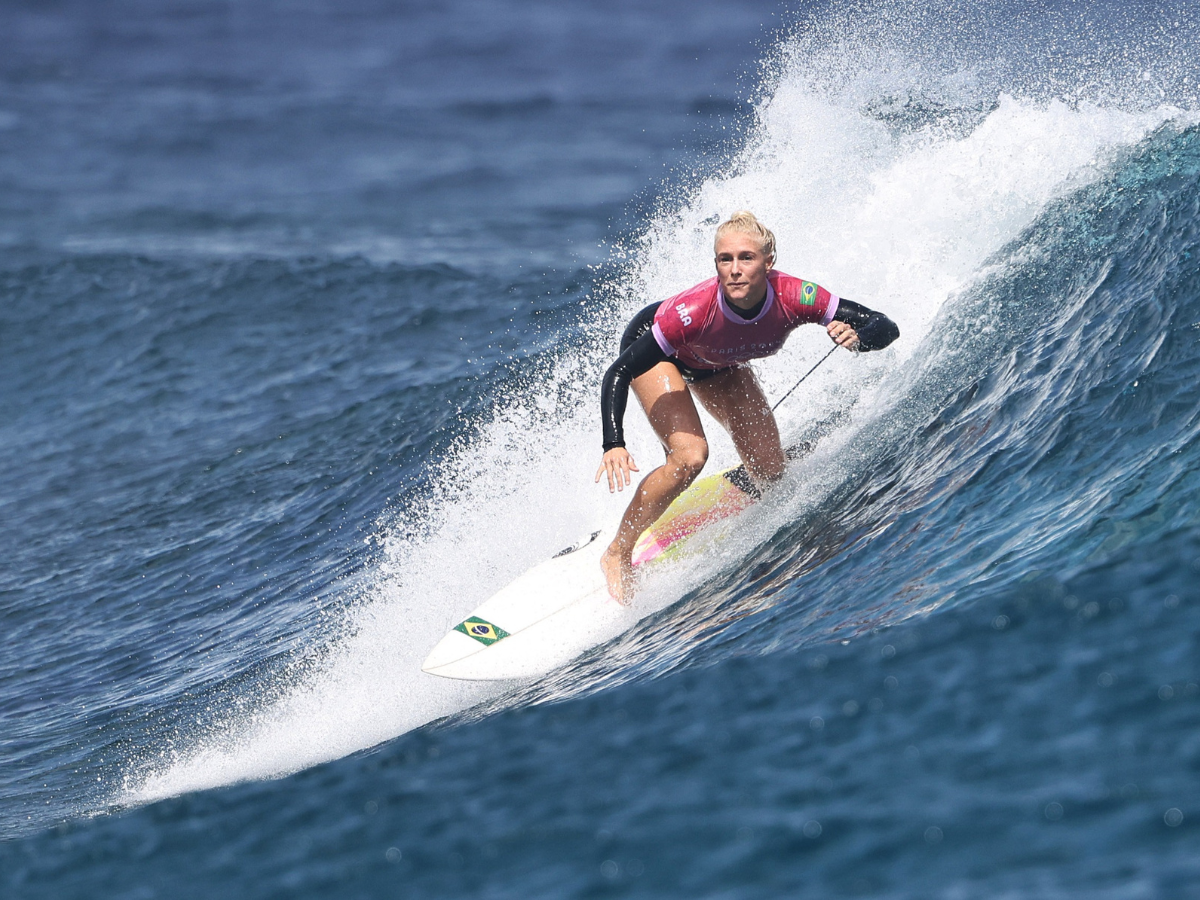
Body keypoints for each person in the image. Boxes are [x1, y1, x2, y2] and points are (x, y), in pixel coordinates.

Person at [595, 211, 898, 602]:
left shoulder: (795, 295)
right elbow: (618, 371)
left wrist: (857, 337)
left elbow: (885, 326)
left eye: (746, 258)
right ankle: (618, 552)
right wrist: (613, 442)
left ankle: (713, 480)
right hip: (659, 353)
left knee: (771, 474)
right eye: (725, 259)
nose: (735, 270)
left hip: (716, 363)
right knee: (690, 457)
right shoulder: (691, 312)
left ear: (768, 262)